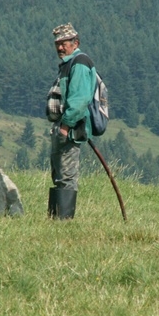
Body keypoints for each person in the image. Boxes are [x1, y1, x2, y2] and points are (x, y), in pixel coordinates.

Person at [46, 22, 97, 219]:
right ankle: (55, 219)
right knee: (59, 175)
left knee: (66, 176)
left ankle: (63, 222)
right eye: (57, 44)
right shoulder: (69, 63)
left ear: (75, 43)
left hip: (71, 130)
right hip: (62, 128)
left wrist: (66, 126)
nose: (60, 47)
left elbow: (79, 100)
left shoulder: (80, 62)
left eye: (64, 43)